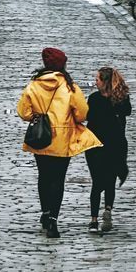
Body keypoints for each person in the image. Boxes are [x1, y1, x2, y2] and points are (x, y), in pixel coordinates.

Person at [16, 47, 101, 239]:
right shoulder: (70, 87)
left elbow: (23, 112)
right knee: (57, 179)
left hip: (41, 138)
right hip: (62, 139)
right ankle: (53, 220)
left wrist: (38, 116)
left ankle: (45, 212)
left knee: (44, 176)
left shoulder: (34, 85)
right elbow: (82, 113)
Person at [84, 66, 131, 234]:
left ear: (104, 82)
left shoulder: (94, 99)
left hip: (95, 145)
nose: (95, 82)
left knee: (97, 182)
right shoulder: (121, 98)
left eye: (97, 79)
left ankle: (94, 220)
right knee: (110, 180)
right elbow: (127, 112)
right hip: (116, 144)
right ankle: (108, 209)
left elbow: (87, 118)